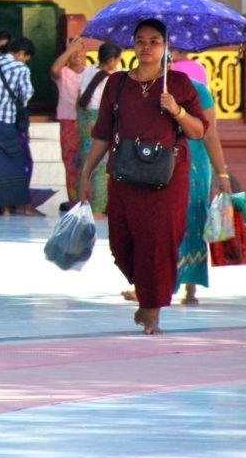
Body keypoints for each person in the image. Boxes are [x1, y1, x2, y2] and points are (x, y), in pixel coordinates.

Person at [79, 19, 207, 334]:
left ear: (165, 47)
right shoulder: (118, 83)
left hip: (167, 178)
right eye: (140, 40)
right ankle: (147, 290)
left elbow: (199, 130)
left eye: (154, 41)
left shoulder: (178, 84)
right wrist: (85, 173)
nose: (146, 47)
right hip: (125, 174)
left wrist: (176, 111)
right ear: (132, 45)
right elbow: (103, 134)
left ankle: (151, 311)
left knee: (159, 244)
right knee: (122, 245)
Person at [174, 72, 232, 305]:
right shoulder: (144, 90)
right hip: (156, 165)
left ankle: (190, 286)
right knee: (155, 225)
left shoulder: (197, 91)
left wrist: (222, 173)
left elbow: (210, 134)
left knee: (193, 220)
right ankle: (151, 284)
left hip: (194, 165)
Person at [0, 36, 42, 217]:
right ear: (21, 53)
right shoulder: (20, 68)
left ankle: (4, 208)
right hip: (7, 120)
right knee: (15, 162)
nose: (25, 60)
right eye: (26, 57)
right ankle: (23, 205)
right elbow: (26, 94)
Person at [76, 42, 121, 217]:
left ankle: (83, 203)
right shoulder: (112, 77)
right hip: (99, 118)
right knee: (101, 163)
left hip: (84, 117)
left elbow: (80, 96)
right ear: (111, 60)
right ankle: (96, 208)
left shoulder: (89, 71)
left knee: (87, 161)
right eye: (117, 60)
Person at [50, 36, 87, 211]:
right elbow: (55, 68)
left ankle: (90, 199)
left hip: (90, 123)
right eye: (73, 50)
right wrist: (69, 50)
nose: (77, 54)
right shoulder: (63, 73)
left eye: (80, 49)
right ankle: (74, 201)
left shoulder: (92, 72)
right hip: (69, 123)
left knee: (91, 162)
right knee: (72, 162)